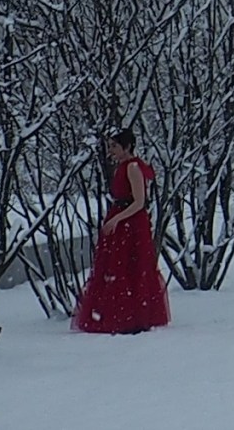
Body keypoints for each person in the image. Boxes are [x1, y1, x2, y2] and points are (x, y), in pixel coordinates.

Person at [71, 127, 171, 334]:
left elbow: (139, 202)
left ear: (127, 146)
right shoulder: (122, 167)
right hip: (122, 221)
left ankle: (133, 316)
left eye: (115, 146)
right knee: (117, 266)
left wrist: (117, 219)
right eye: (110, 146)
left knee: (130, 266)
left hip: (131, 224)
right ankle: (121, 313)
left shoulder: (133, 167)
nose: (111, 150)